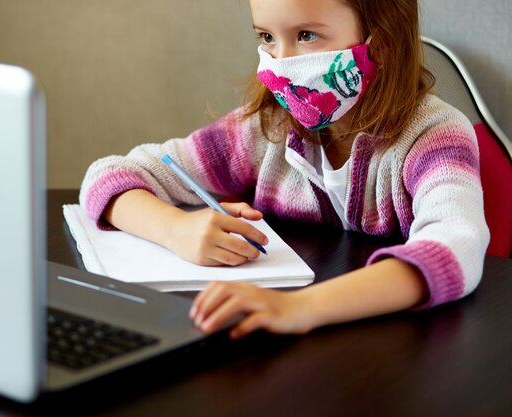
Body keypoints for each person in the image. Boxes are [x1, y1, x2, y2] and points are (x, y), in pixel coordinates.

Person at [79, 0, 489, 339]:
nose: (281, 63)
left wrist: (300, 307)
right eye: (267, 38)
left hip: (397, 353)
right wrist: (175, 229)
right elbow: (110, 174)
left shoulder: (435, 135)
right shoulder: (265, 128)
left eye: (306, 36)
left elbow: (455, 248)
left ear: (379, 42)